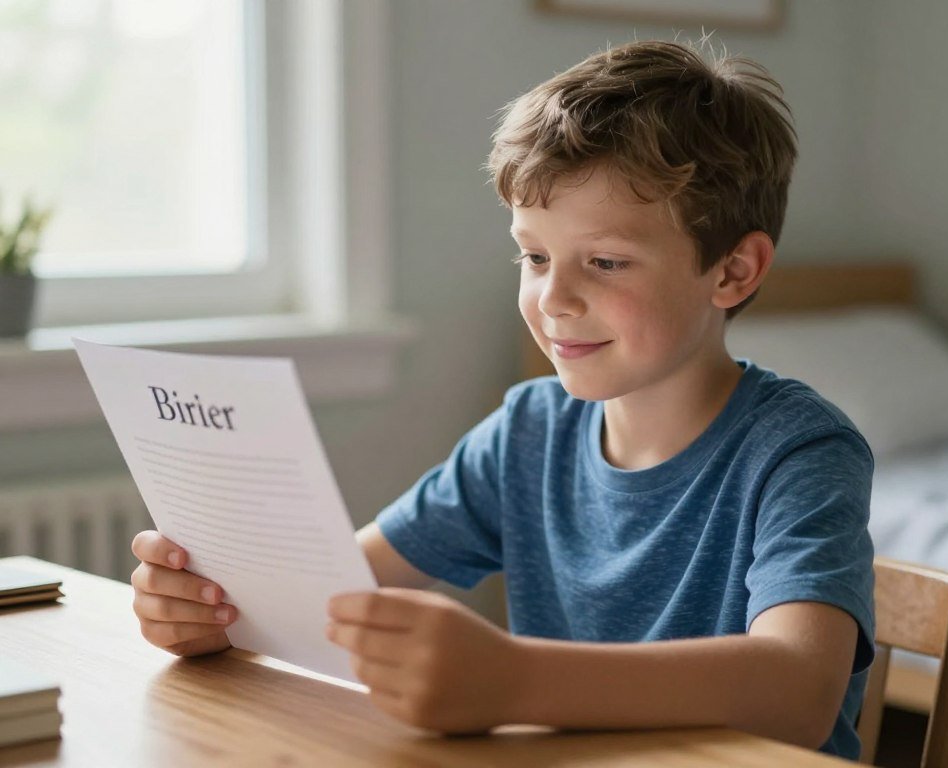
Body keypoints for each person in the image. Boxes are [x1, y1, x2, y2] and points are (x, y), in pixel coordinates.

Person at [130, 39, 875, 760]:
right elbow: (331, 591)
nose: (553, 298)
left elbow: (799, 692)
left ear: (734, 271)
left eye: (606, 261)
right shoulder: (528, 433)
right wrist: (218, 612)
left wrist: (515, 680)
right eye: (535, 255)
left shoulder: (799, 451)